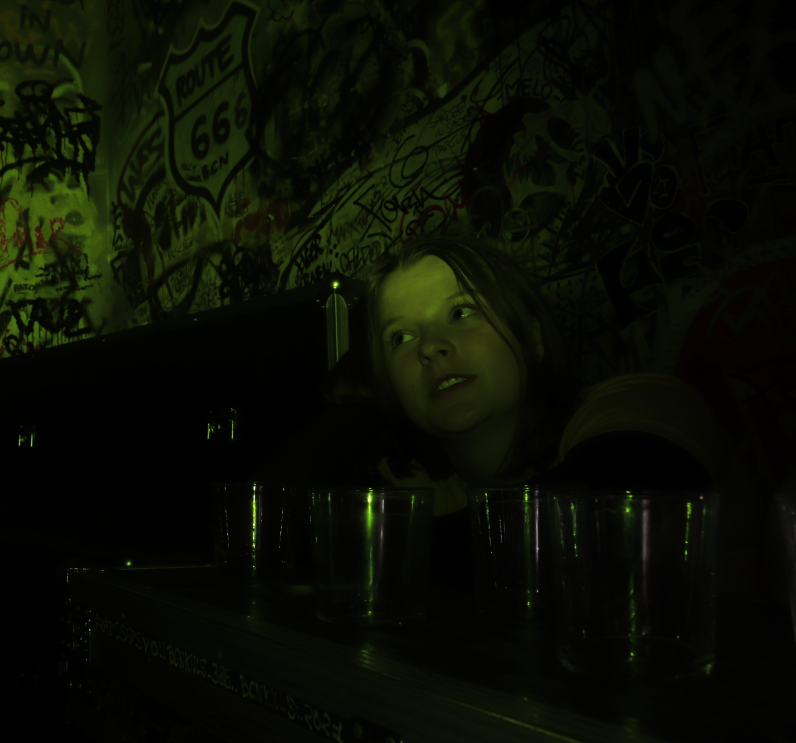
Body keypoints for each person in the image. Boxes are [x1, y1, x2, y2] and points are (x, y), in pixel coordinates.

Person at [256, 227, 761, 597]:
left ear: (532, 337)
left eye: (461, 312)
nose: (430, 347)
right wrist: (362, 400)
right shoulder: (425, 483)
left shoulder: (644, 403)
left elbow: (578, 541)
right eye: (401, 338)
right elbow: (273, 531)